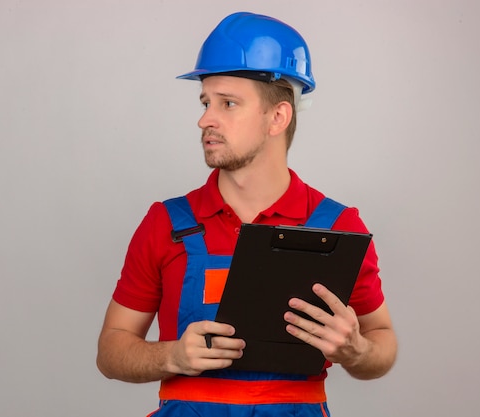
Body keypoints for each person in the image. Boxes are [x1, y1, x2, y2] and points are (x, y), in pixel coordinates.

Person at [97, 11, 397, 417]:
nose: (205, 119)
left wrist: (356, 350)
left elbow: (382, 341)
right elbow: (112, 350)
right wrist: (172, 357)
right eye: (206, 102)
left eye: (228, 104)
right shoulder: (167, 224)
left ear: (277, 117)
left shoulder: (337, 228)